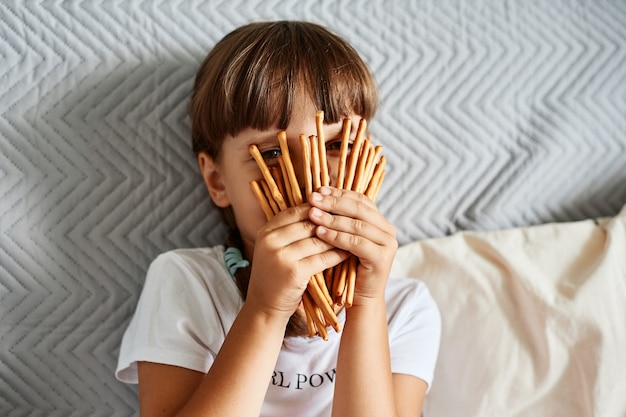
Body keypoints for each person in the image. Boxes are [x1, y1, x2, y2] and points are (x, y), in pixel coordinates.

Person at [116, 20, 441, 417]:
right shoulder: (187, 282)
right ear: (217, 180)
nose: (311, 177)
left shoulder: (404, 307)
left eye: (337, 145)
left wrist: (365, 303)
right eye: (271, 154)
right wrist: (265, 310)